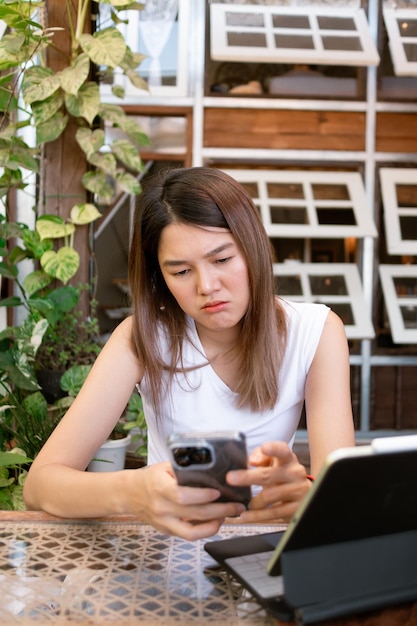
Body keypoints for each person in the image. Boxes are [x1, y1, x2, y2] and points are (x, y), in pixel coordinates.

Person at [24, 167, 355, 540]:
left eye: (222, 260)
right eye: (181, 271)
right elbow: (40, 486)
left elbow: (339, 495)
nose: (207, 287)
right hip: (170, 564)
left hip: (269, 553)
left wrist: (307, 492)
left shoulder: (316, 331)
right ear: (159, 277)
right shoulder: (143, 338)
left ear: (253, 247)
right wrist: (134, 492)